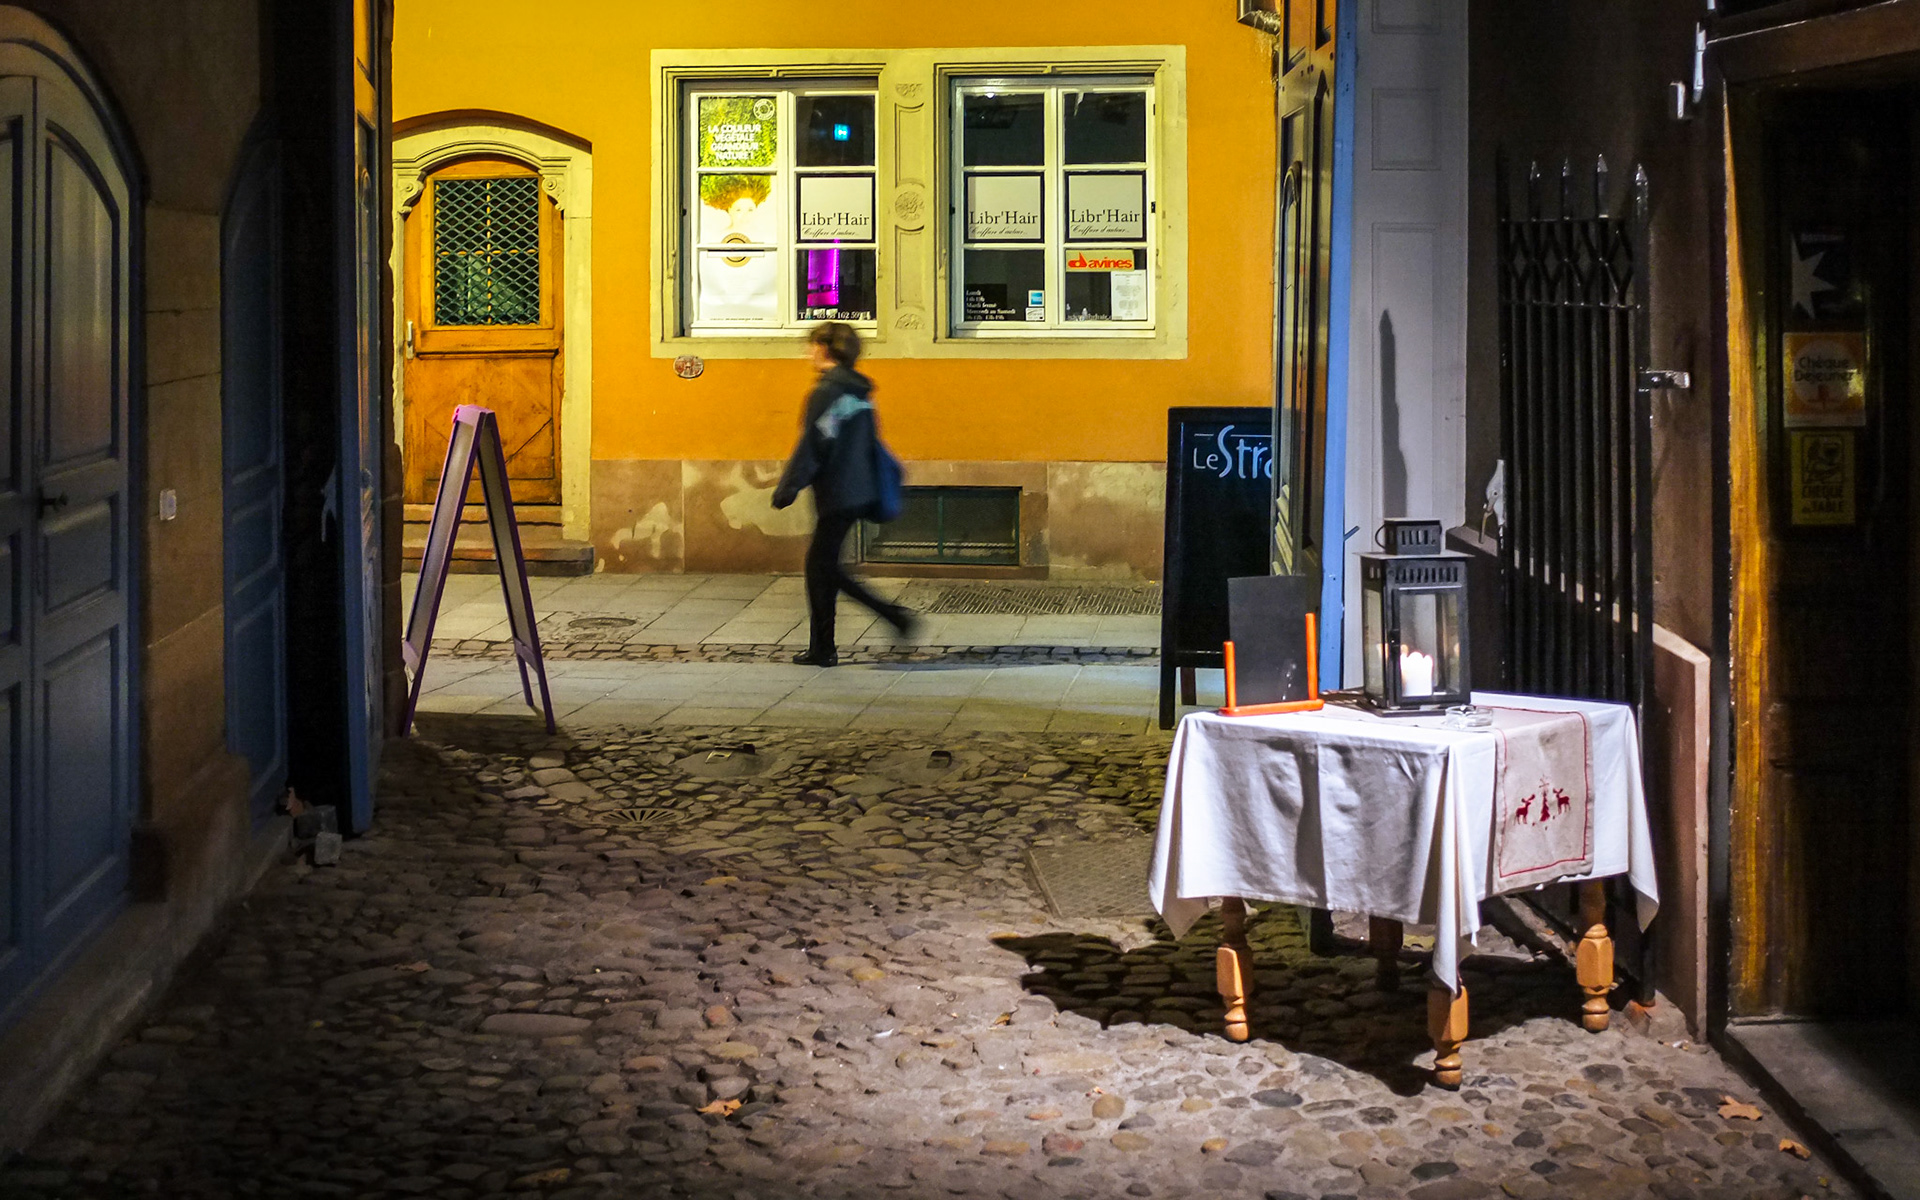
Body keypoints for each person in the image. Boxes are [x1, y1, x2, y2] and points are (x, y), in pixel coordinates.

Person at [771, 322, 918, 666]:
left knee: (822, 567)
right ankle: (824, 648)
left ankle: (891, 616)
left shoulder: (827, 392)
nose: (808, 353)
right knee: (822, 568)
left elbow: (815, 443)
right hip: (858, 487)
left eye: (811, 346)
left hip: (838, 489)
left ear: (824, 348)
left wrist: (788, 487)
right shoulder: (858, 392)